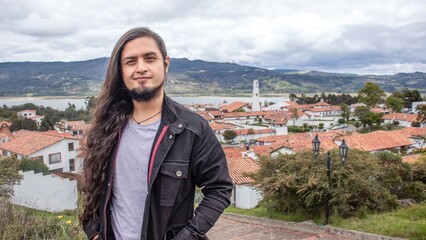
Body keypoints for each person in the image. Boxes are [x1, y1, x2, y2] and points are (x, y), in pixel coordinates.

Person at [80, 27, 233, 240]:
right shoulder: (105, 128)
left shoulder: (192, 129)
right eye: (131, 61)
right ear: (121, 70)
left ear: (166, 64)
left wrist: (188, 236)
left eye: (150, 58)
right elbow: (91, 184)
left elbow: (219, 188)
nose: (140, 68)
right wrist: (94, 231)